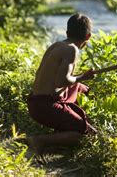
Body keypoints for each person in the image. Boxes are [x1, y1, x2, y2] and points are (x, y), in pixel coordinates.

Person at [26, 13, 96, 153]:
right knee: (86, 135)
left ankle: (79, 121)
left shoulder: (57, 45)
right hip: (45, 106)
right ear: (88, 36)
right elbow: (61, 81)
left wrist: (79, 81)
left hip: (34, 101)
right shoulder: (72, 50)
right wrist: (83, 76)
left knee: (80, 87)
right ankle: (39, 140)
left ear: (67, 32)